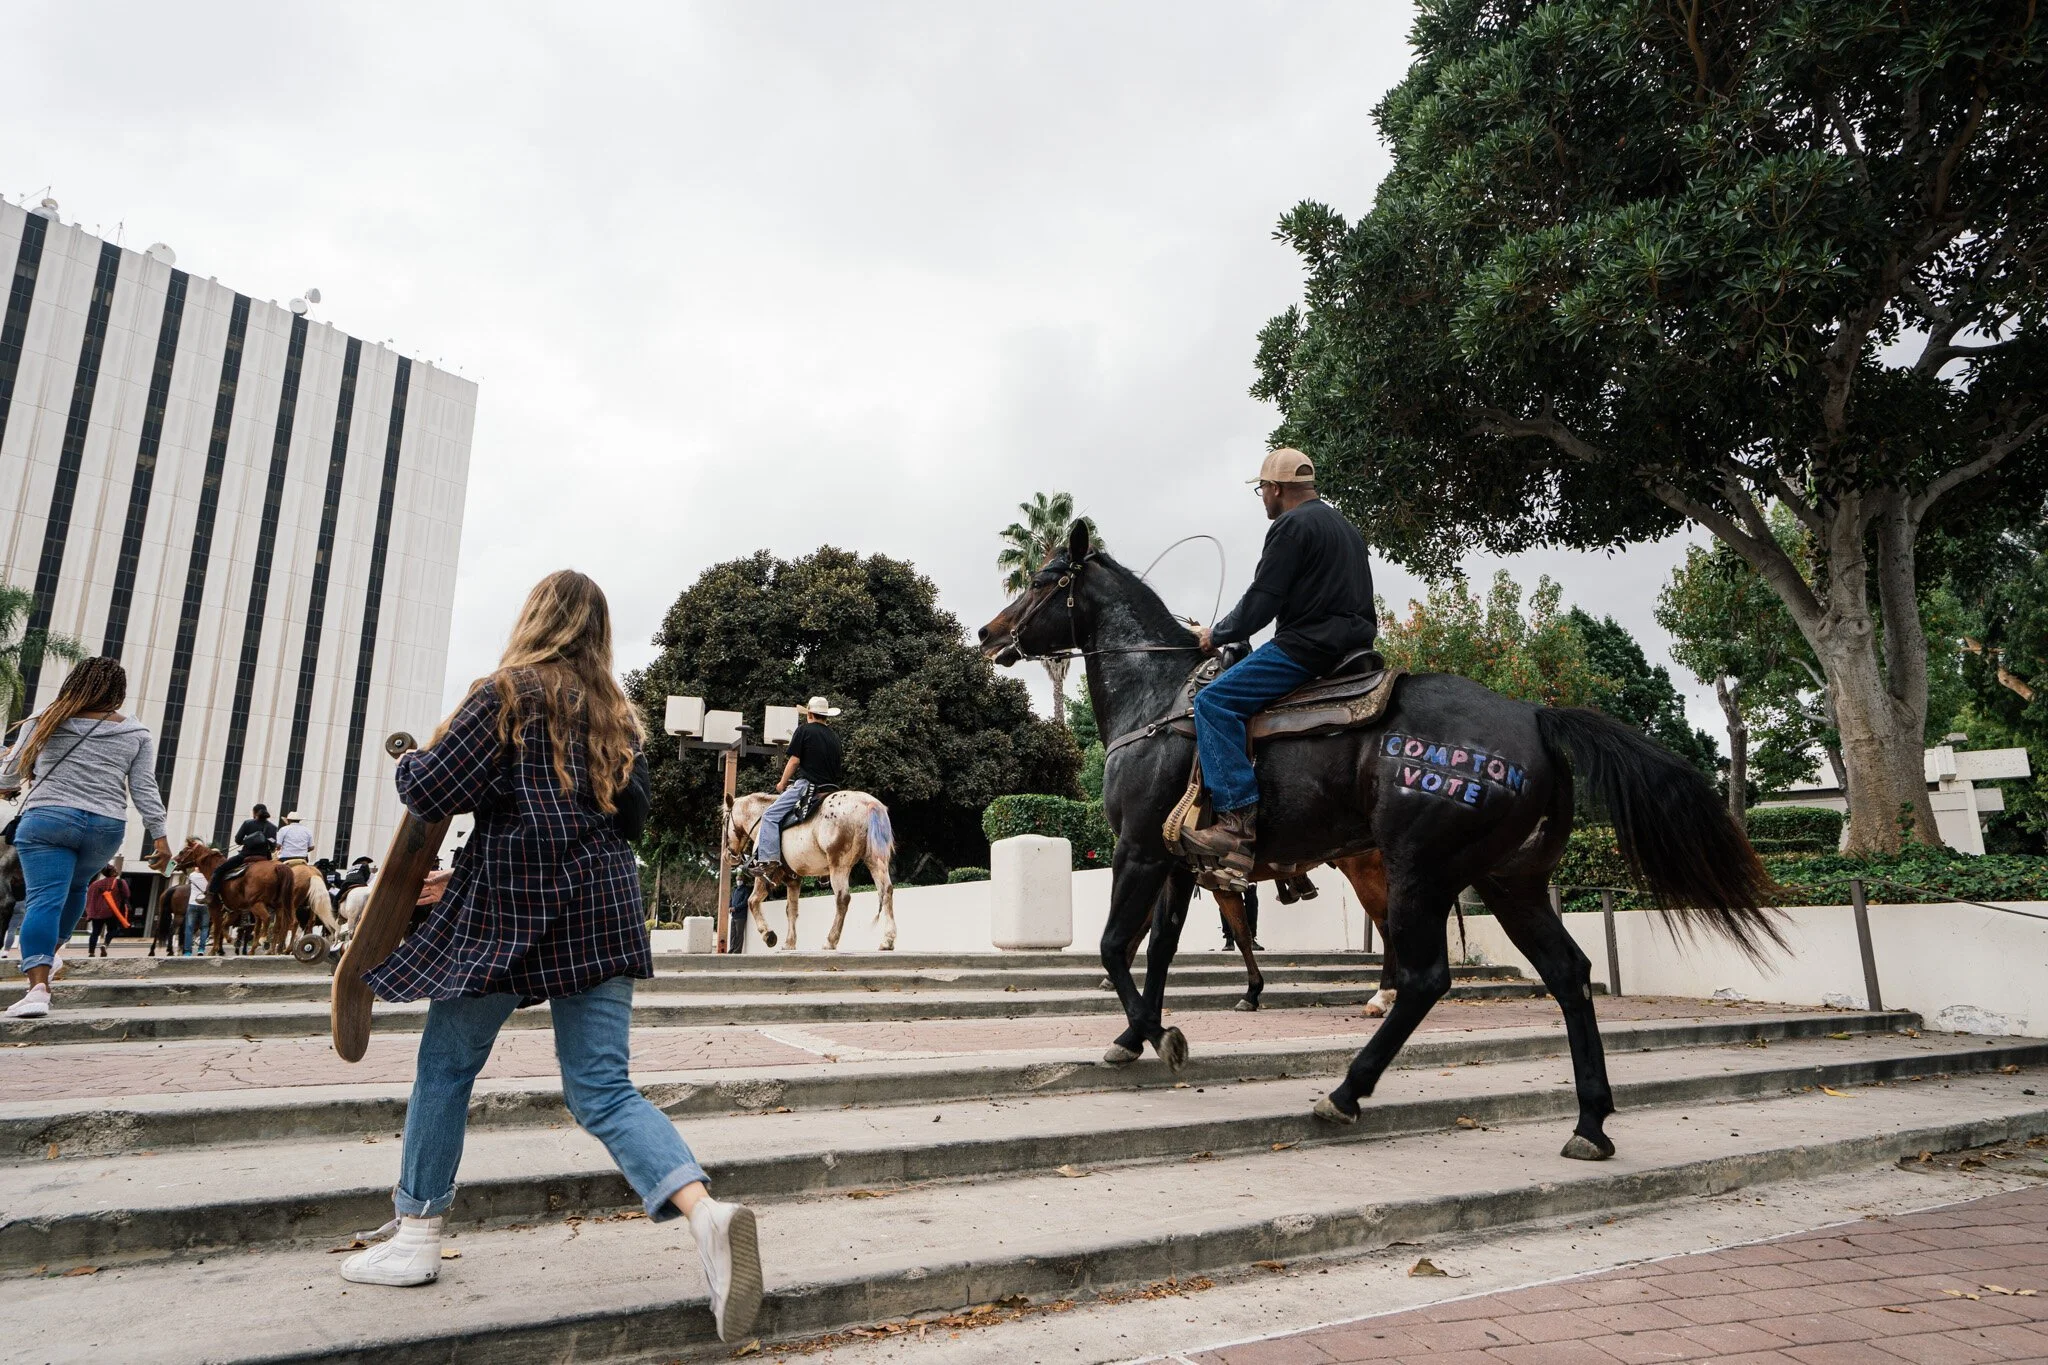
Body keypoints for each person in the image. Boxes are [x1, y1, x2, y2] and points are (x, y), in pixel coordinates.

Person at [341, 569, 763, 1342]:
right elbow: (627, 818)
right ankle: (706, 1212)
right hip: (601, 908)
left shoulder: (504, 691)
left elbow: (432, 788)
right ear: (598, 631)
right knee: (603, 1086)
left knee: (446, 1067)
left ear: (535, 615)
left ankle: (417, 1234)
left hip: (508, 909)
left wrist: (407, 756)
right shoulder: (616, 714)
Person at [1182, 449, 1377, 889]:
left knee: (1214, 701)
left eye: (1261, 489)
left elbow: (1261, 601)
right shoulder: (1344, 526)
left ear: (1275, 488)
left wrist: (1217, 634)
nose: (1262, 498)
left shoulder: (1290, 526)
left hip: (1307, 648)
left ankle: (1237, 825)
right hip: (1357, 647)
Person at [0, 657, 172, 1017]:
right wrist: (160, 837)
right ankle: (54, 953)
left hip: (48, 818)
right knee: (76, 889)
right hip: (106, 825)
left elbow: (10, 775)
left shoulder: (47, 719)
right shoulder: (136, 733)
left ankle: (37, 990)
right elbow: (143, 788)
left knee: (44, 899)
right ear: (118, 692)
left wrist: (10, 783)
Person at [749, 696, 843, 883]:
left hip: (808, 786)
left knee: (770, 815)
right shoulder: (834, 737)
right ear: (825, 717)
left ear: (809, 714)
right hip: (832, 789)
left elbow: (794, 761)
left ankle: (769, 860)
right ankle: (825, 870)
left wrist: (782, 783)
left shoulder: (803, 730)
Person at [211, 803, 278, 890]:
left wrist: (246, 841)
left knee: (220, 869)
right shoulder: (273, 827)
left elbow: (238, 840)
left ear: (254, 813)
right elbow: (273, 846)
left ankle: (211, 893)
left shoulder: (248, 823)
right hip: (264, 857)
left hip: (246, 855)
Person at [84, 864, 129, 956]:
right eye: (115, 870)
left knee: (95, 932)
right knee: (113, 930)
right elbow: (127, 894)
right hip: (113, 911)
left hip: (97, 913)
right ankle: (105, 944)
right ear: (112, 872)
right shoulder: (120, 882)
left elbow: (90, 898)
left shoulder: (95, 884)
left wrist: (90, 913)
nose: (117, 871)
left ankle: (91, 952)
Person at [182, 865, 210, 956]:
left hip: (192, 904)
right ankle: (201, 949)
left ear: (196, 868)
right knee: (205, 928)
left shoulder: (192, 875)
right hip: (205, 905)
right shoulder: (208, 876)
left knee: (189, 928)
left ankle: (187, 952)